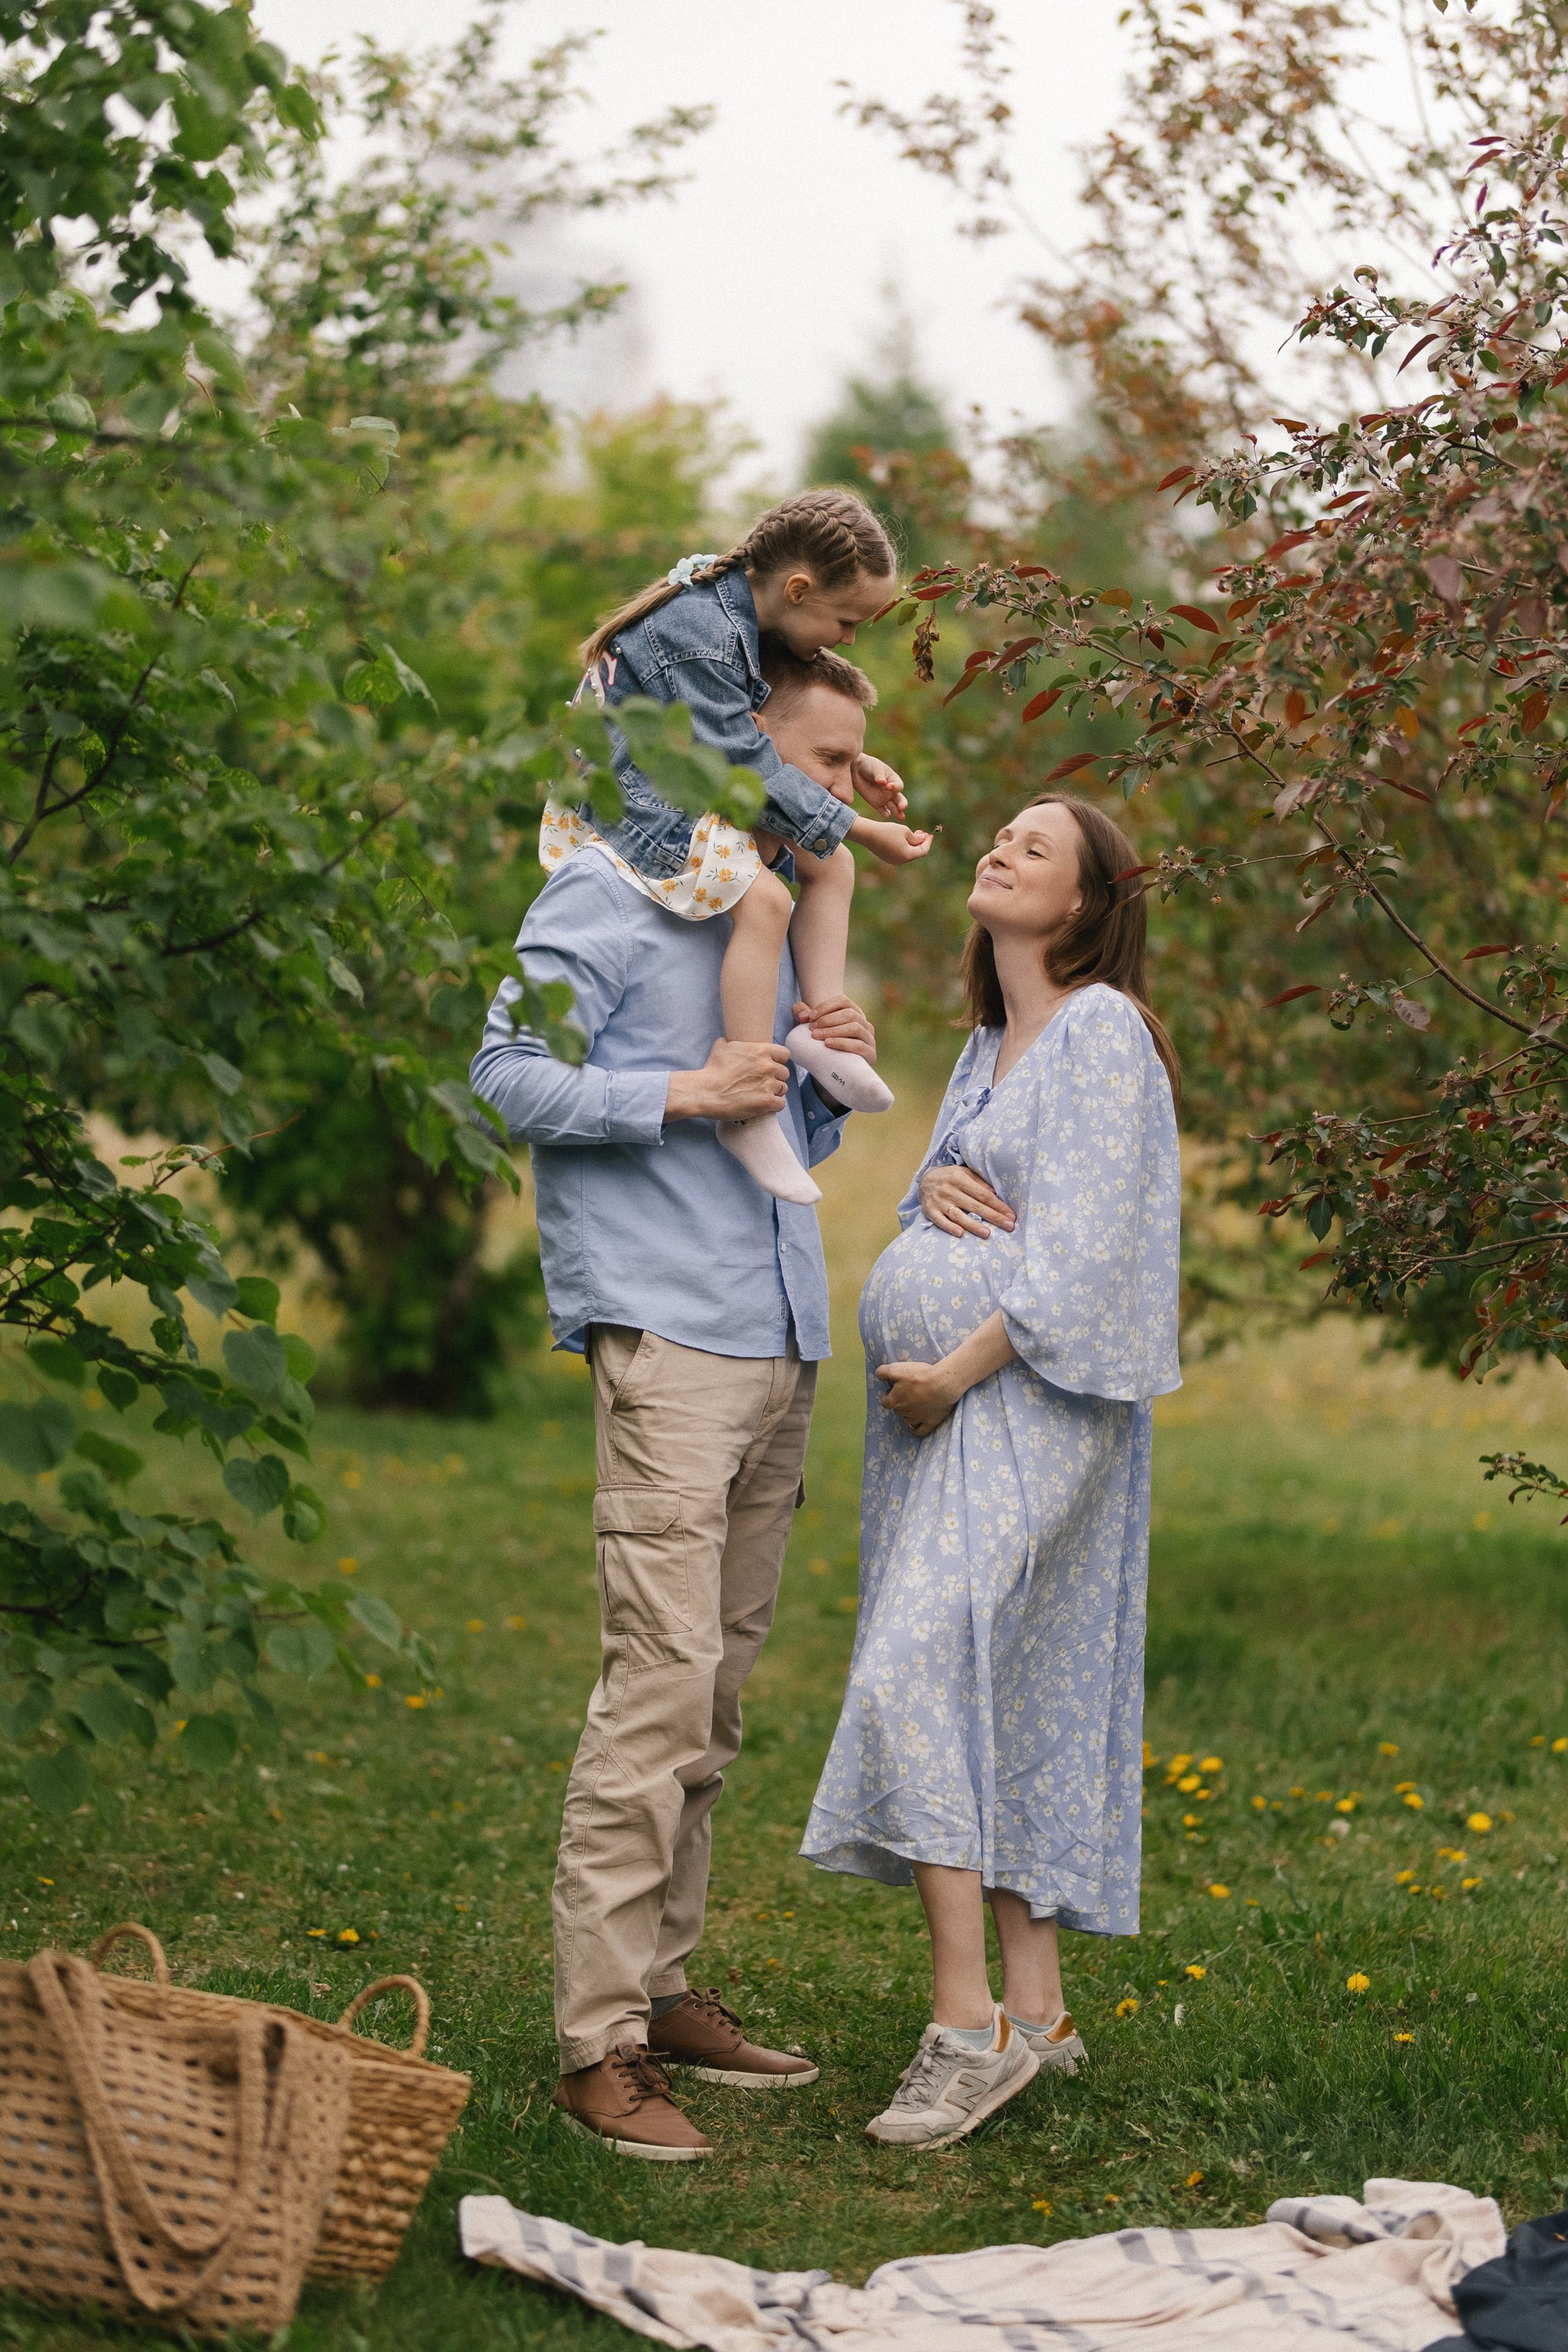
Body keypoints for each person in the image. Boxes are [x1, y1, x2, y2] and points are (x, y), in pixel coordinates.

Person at [470, 644, 892, 2164]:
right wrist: (669, 1094)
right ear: (745, 745)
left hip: (777, 1332)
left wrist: (811, 1075)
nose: (842, 796)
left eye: (853, 769)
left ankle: (660, 1991)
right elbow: (501, 1072)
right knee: (653, 1690)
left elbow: (774, 1149)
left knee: (712, 1696)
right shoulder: (605, 891)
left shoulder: (769, 920)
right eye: (826, 763)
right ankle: (594, 2048)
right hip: (671, 1337)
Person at [800, 793, 1182, 2151]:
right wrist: (930, 1197)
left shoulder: (1099, 1033)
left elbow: (1088, 1253)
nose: (1002, 851)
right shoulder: (988, 1044)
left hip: (1025, 1400)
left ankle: (965, 2031)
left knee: (915, 1665)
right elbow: (962, 1201)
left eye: (1037, 845)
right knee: (1001, 1680)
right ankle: (1039, 2010)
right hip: (944, 1420)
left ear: (1082, 905)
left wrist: (954, 1369)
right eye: (1001, 836)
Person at [548, 487, 931, 1205]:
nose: (850, 639)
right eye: (847, 620)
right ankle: (751, 1104)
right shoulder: (698, 627)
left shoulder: (738, 617)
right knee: (763, 896)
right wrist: (863, 824)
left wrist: (851, 768)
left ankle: (818, 1027)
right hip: (628, 802)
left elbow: (771, 730)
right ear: (798, 589)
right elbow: (745, 762)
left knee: (830, 861)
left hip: (678, 780)